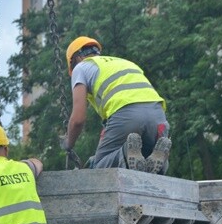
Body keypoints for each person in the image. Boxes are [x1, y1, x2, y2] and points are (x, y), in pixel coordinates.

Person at [62, 36, 171, 174]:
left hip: (127, 114)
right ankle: (161, 160)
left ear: (76, 59)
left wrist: (68, 143)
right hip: (158, 116)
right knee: (148, 161)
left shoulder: (81, 68)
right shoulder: (124, 62)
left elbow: (78, 119)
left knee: (100, 167)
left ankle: (124, 154)